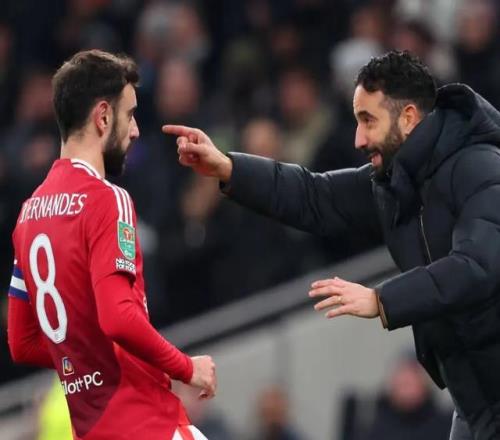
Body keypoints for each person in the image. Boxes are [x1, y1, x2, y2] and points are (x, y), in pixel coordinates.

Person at [163, 50, 500, 440]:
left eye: (368, 120)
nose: (358, 139)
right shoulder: (395, 182)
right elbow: (316, 197)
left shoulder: (482, 167)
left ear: (408, 117)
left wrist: (381, 300)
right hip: (474, 403)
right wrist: (228, 168)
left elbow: (477, 265)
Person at [7, 49, 216, 440]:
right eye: (130, 114)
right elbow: (118, 316)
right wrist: (187, 367)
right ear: (103, 117)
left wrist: (89, 361)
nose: (134, 130)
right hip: (145, 423)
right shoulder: (108, 199)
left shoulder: (27, 216)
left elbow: (22, 342)